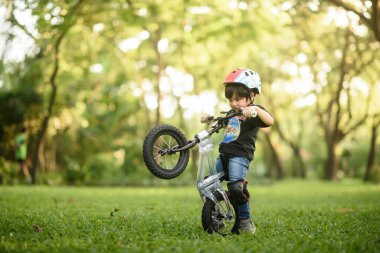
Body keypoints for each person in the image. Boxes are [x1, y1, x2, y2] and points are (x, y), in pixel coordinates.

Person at [201, 68, 274, 234]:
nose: (234, 103)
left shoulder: (254, 111)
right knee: (210, 185)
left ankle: (245, 221)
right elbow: (217, 124)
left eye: (238, 99)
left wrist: (255, 110)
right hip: (225, 155)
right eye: (231, 100)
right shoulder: (231, 113)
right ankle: (215, 218)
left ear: (252, 95)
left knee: (235, 188)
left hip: (240, 156)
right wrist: (209, 118)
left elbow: (270, 121)